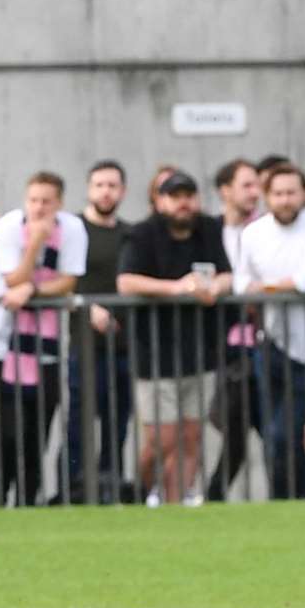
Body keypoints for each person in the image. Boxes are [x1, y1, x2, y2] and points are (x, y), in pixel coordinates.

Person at [118, 170, 231, 507]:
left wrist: (214, 288)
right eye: (175, 195)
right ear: (161, 200)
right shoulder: (141, 234)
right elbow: (127, 282)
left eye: (189, 195)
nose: (183, 202)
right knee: (161, 440)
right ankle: (141, 491)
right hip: (154, 354)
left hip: (199, 350)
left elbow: (227, 274)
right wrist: (178, 288)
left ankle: (174, 504)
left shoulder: (209, 228)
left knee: (192, 434)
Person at [0, 173, 87, 508]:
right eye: (34, 200)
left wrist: (35, 291)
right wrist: (36, 245)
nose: (39, 208)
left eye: (47, 201)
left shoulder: (72, 229)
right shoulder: (10, 227)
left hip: (48, 352)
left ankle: (28, 501)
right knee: (10, 433)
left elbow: (68, 281)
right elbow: (14, 278)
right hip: (3, 348)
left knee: (37, 432)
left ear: (60, 203)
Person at [60, 161, 134, 504]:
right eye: (100, 184)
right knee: (79, 422)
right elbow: (63, 282)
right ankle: (71, 487)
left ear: (123, 191)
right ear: (89, 188)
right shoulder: (74, 230)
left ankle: (109, 488)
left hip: (124, 346)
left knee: (117, 425)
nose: (106, 191)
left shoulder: (130, 234)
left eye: (113, 185)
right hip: (84, 346)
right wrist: (88, 308)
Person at [233, 163, 305, 499]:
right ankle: (284, 498)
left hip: (304, 345)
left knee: (288, 433)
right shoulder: (254, 234)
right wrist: (262, 289)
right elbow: (241, 282)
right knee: (276, 433)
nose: (285, 199)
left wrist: (274, 287)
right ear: (267, 197)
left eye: (292, 192)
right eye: (278, 193)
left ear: (303, 194)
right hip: (273, 344)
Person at [207, 158, 263, 501]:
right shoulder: (211, 231)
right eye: (246, 185)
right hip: (226, 346)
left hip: (266, 340)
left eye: (257, 184)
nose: (254, 192)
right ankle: (213, 497)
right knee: (236, 428)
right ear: (225, 191)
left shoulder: (264, 229)